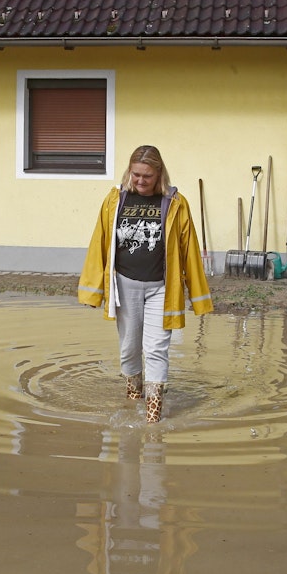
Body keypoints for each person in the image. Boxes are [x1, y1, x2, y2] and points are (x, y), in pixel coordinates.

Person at [78, 145, 213, 423]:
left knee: (155, 350)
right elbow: (99, 243)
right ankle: (133, 399)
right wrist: (93, 292)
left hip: (162, 288)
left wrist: (199, 298)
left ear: (159, 174)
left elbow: (189, 250)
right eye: (136, 174)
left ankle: (153, 417)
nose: (140, 180)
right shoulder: (115, 200)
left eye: (147, 176)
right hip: (125, 284)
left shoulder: (175, 203)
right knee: (129, 348)